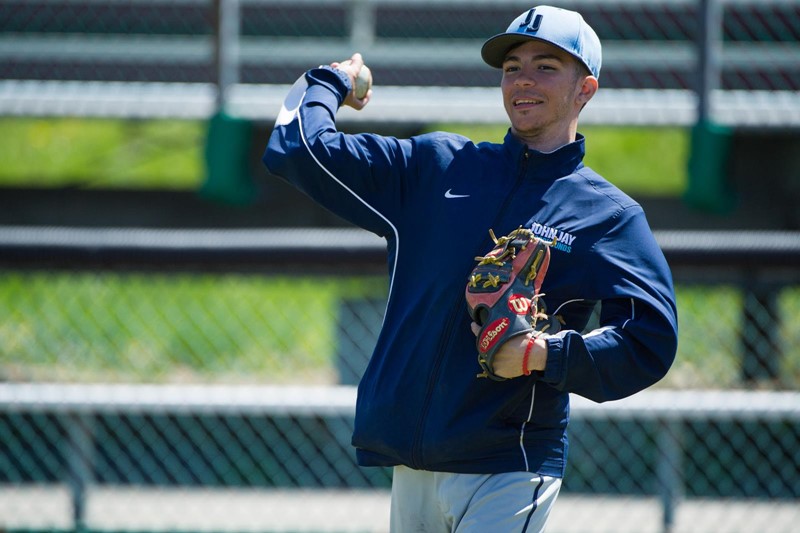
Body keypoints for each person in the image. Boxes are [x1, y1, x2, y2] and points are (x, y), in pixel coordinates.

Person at [264, 5, 678, 531]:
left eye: (546, 66)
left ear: (585, 89)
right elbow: (298, 149)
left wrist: (541, 355)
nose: (523, 80)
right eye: (512, 67)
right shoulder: (434, 168)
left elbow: (650, 338)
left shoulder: (607, 215)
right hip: (412, 465)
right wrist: (329, 81)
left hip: (507, 467)